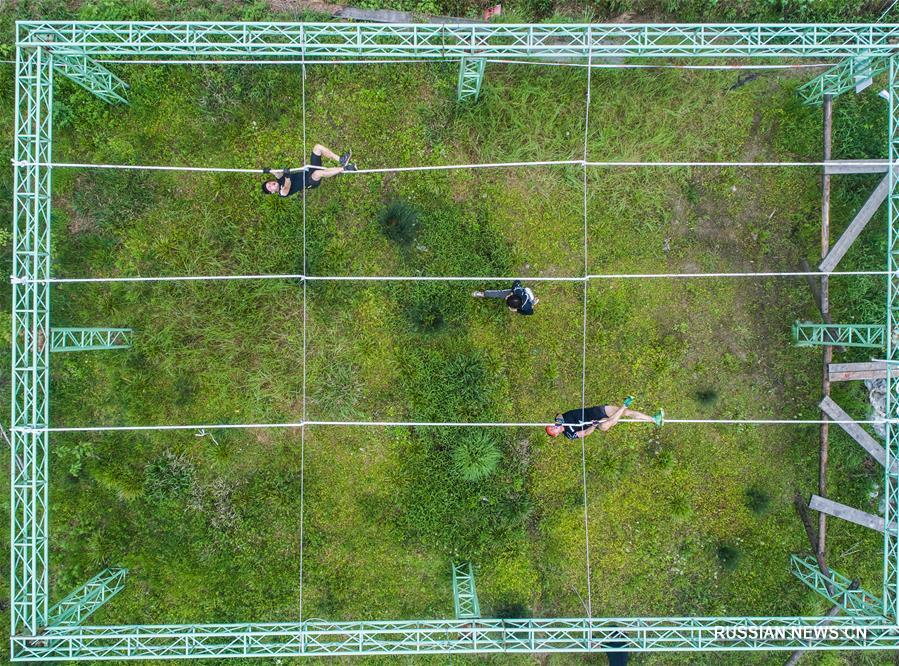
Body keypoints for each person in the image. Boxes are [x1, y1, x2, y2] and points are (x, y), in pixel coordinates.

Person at [545, 397, 663, 439]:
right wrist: (593, 425)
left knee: (627, 413)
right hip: (598, 424)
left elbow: (559, 415)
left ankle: (654, 419)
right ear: (555, 434)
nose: (553, 427)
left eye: (551, 426)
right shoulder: (569, 435)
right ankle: (624, 404)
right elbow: (585, 433)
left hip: (596, 411)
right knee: (604, 423)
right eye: (552, 429)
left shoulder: (560, 419)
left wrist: (559, 422)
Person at [261, 144, 356, 196]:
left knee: (317, 148)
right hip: (310, 181)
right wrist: (287, 176)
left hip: (309, 171)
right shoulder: (282, 193)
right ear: (272, 192)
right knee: (318, 173)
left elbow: (277, 173)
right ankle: (345, 169)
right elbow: (287, 186)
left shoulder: (279, 179)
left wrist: (269, 170)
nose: (271, 184)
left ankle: (341, 160)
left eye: (269, 183)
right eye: (269, 187)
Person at [472, 280, 538, 315]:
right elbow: (517, 281)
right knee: (499, 293)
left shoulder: (526, 307)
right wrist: (511, 293)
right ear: (514, 295)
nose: (506, 298)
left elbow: (530, 313)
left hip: (529, 298)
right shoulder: (517, 290)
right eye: (508, 297)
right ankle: (483, 294)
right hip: (522, 292)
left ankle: (532, 302)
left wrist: (517, 310)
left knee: (531, 302)